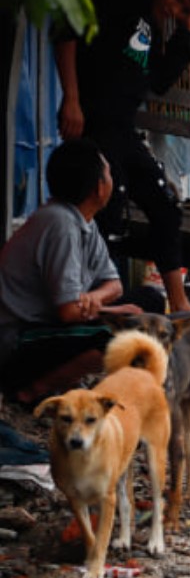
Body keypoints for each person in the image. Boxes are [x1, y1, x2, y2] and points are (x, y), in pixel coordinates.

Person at [54, 0, 190, 314]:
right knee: (107, 213)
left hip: (123, 130)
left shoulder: (156, 23)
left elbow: (158, 81)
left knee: (164, 204)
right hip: (93, 124)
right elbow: (66, 32)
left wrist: (187, 30)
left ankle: (179, 304)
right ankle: (100, 312)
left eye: (185, 8)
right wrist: (72, 97)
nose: (174, 7)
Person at [0, 140, 148, 403]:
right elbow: (69, 311)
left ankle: (63, 379)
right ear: (99, 188)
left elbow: (115, 284)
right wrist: (111, 311)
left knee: (150, 300)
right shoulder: (60, 223)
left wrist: (96, 299)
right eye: (109, 172)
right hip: (16, 341)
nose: (112, 179)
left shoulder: (84, 223)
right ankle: (34, 390)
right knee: (117, 337)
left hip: (51, 324)